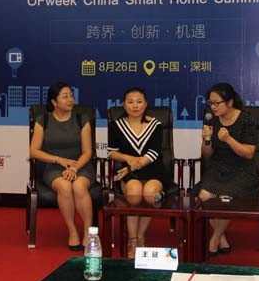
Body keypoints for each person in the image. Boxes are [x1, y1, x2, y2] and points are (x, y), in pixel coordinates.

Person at [29, 82, 95, 250]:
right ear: (54, 101)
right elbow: (34, 151)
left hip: (81, 165)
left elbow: (87, 152)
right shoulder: (43, 120)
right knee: (64, 186)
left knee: (79, 186)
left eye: (71, 96)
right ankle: (72, 231)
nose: (70, 99)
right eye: (65, 97)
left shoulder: (81, 119)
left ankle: (88, 232)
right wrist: (58, 160)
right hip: (54, 167)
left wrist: (74, 168)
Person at [107, 87, 172, 258]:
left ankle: (141, 235)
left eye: (139, 101)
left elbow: (154, 153)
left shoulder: (155, 124)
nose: (135, 105)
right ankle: (133, 239)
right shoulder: (116, 125)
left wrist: (132, 166)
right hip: (128, 173)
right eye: (130, 102)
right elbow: (110, 152)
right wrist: (127, 158)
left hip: (153, 169)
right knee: (135, 190)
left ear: (145, 104)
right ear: (124, 105)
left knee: (150, 192)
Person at [198, 83, 257, 256]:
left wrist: (229, 139)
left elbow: (249, 153)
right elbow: (206, 154)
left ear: (230, 102)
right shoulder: (210, 118)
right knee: (203, 197)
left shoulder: (246, 120)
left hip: (242, 169)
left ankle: (215, 239)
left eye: (217, 103)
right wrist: (206, 139)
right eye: (210, 103)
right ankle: (221, 236)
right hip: (217, 167)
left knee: (225, 198)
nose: (213, 107)